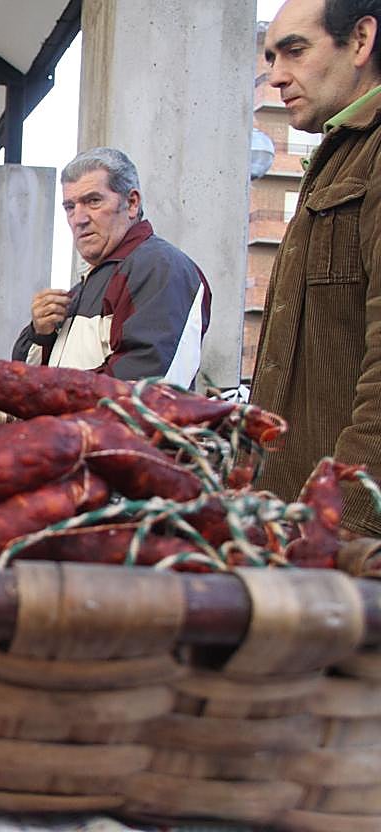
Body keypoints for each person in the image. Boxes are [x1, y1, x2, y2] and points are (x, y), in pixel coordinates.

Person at [252, 0, 381, 535]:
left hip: (340, 547)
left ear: (360, 41)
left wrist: (348, 524)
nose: (277, 76)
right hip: (293, 524)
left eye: (295, 51)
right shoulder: (337, 155)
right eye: (271, 56)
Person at [11, 147, 211, 388]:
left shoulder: (159, 267)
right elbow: (22, 384)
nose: (79, 219)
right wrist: (40, 333)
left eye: (93, 201)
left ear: (132, 203)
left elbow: (141, 389)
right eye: (70, 207)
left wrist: (49, 398)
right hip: (77, 426)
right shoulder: (82, 289)